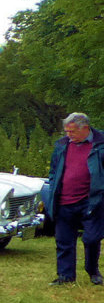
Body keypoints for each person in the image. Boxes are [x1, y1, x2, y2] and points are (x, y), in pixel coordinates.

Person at [46, 111, 104, 286]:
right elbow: (54, 171)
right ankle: (65, 277)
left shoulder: (100, 145)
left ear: (85, 128)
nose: (68, 135)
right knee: (64, 241)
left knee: (92, 238)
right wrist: (53, 185)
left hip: (91, 202)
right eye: (66, 132)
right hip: (64, 201)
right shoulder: (62, 145)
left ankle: (92, 270)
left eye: (72, 132)